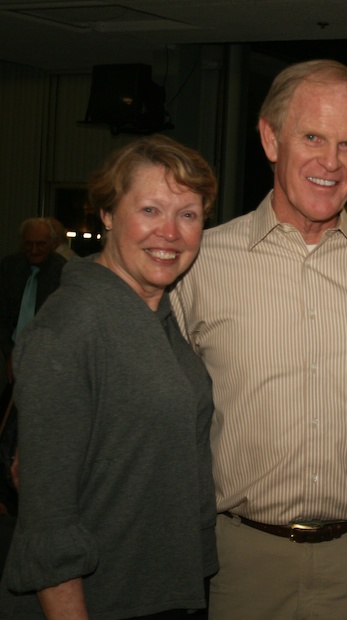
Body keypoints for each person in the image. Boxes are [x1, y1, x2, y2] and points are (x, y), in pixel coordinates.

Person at [170, 59, 347, 619]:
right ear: (270, 138)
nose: (330, 161)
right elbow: (146, 399)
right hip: (237, 565)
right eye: (312, 137)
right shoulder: (200, 264)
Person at [0, 135, 219, 619]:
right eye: (150, 210)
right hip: (98, 603)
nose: (170, 232)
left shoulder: (156, 319)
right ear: (105, 215)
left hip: (162, 592)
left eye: (188, 214)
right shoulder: (71, 327)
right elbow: (48, 522)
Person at [0, 218, 66, 383]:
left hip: (48, 358)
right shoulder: (9, 267)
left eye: (41, 244)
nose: (34, 250)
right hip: (8, 350)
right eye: (29, 244)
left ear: (53, 243)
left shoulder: (63, 271)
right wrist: (10, 353)